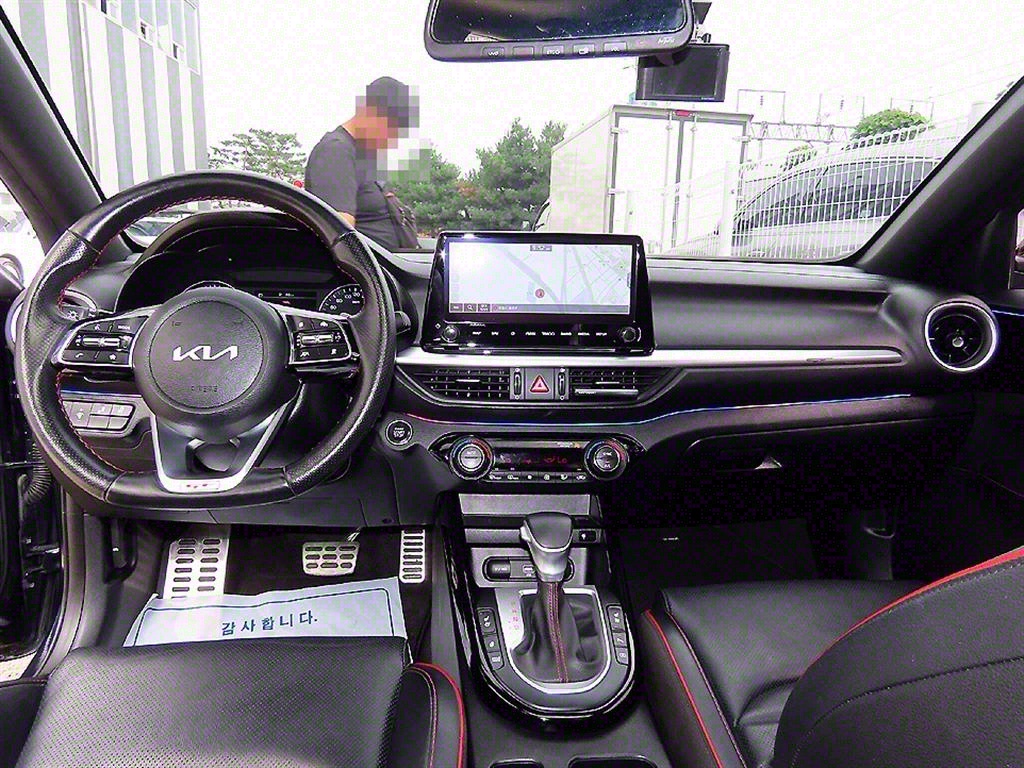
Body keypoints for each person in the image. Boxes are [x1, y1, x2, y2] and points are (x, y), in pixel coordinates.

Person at [304, 77, 419, 252]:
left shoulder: (366, 156)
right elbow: (339, 236)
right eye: (392, 129)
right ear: (370, 112)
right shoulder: (335, 152)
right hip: (367, 267)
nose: (393, 139)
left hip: (394, 260)